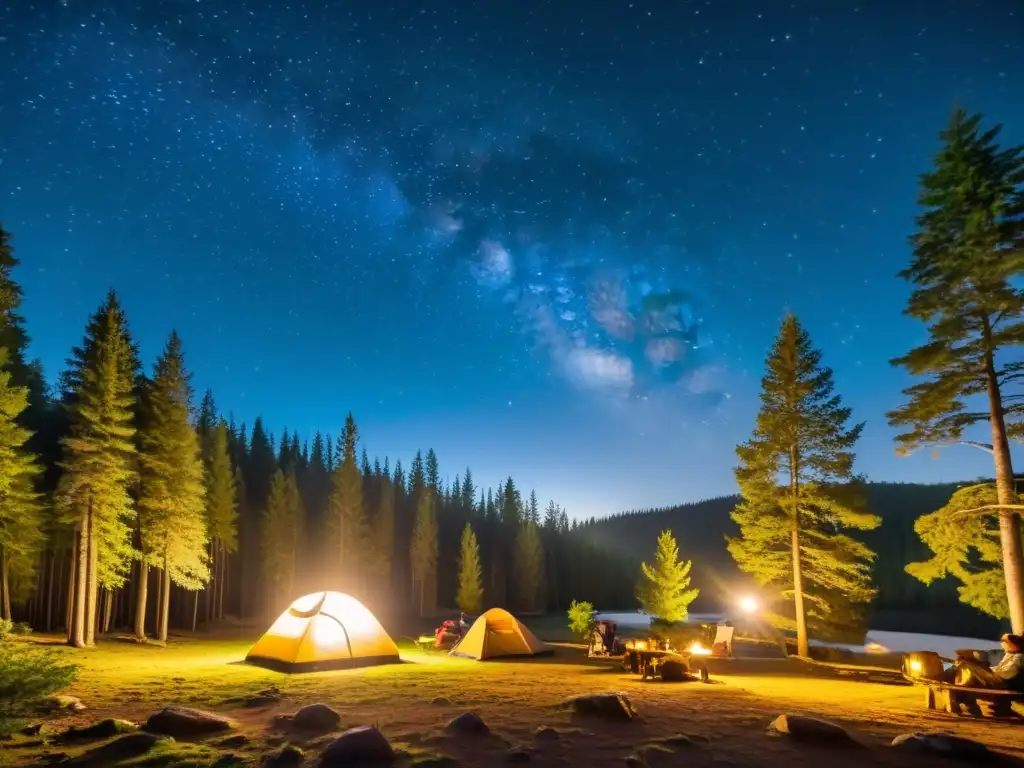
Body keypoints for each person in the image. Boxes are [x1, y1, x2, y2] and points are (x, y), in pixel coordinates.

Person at [955, 634, 1023, 690]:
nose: (1002, 643)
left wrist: (987, 670)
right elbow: (1001, 669)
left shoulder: (1019, 657)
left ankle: (963, 683)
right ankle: (963, 681)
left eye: (1004, 641)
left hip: (1001, 683)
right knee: (965, 660)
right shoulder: (1010, 654)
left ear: (1014, 644)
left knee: (968, 662)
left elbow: (1006, 674)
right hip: (998, 678)